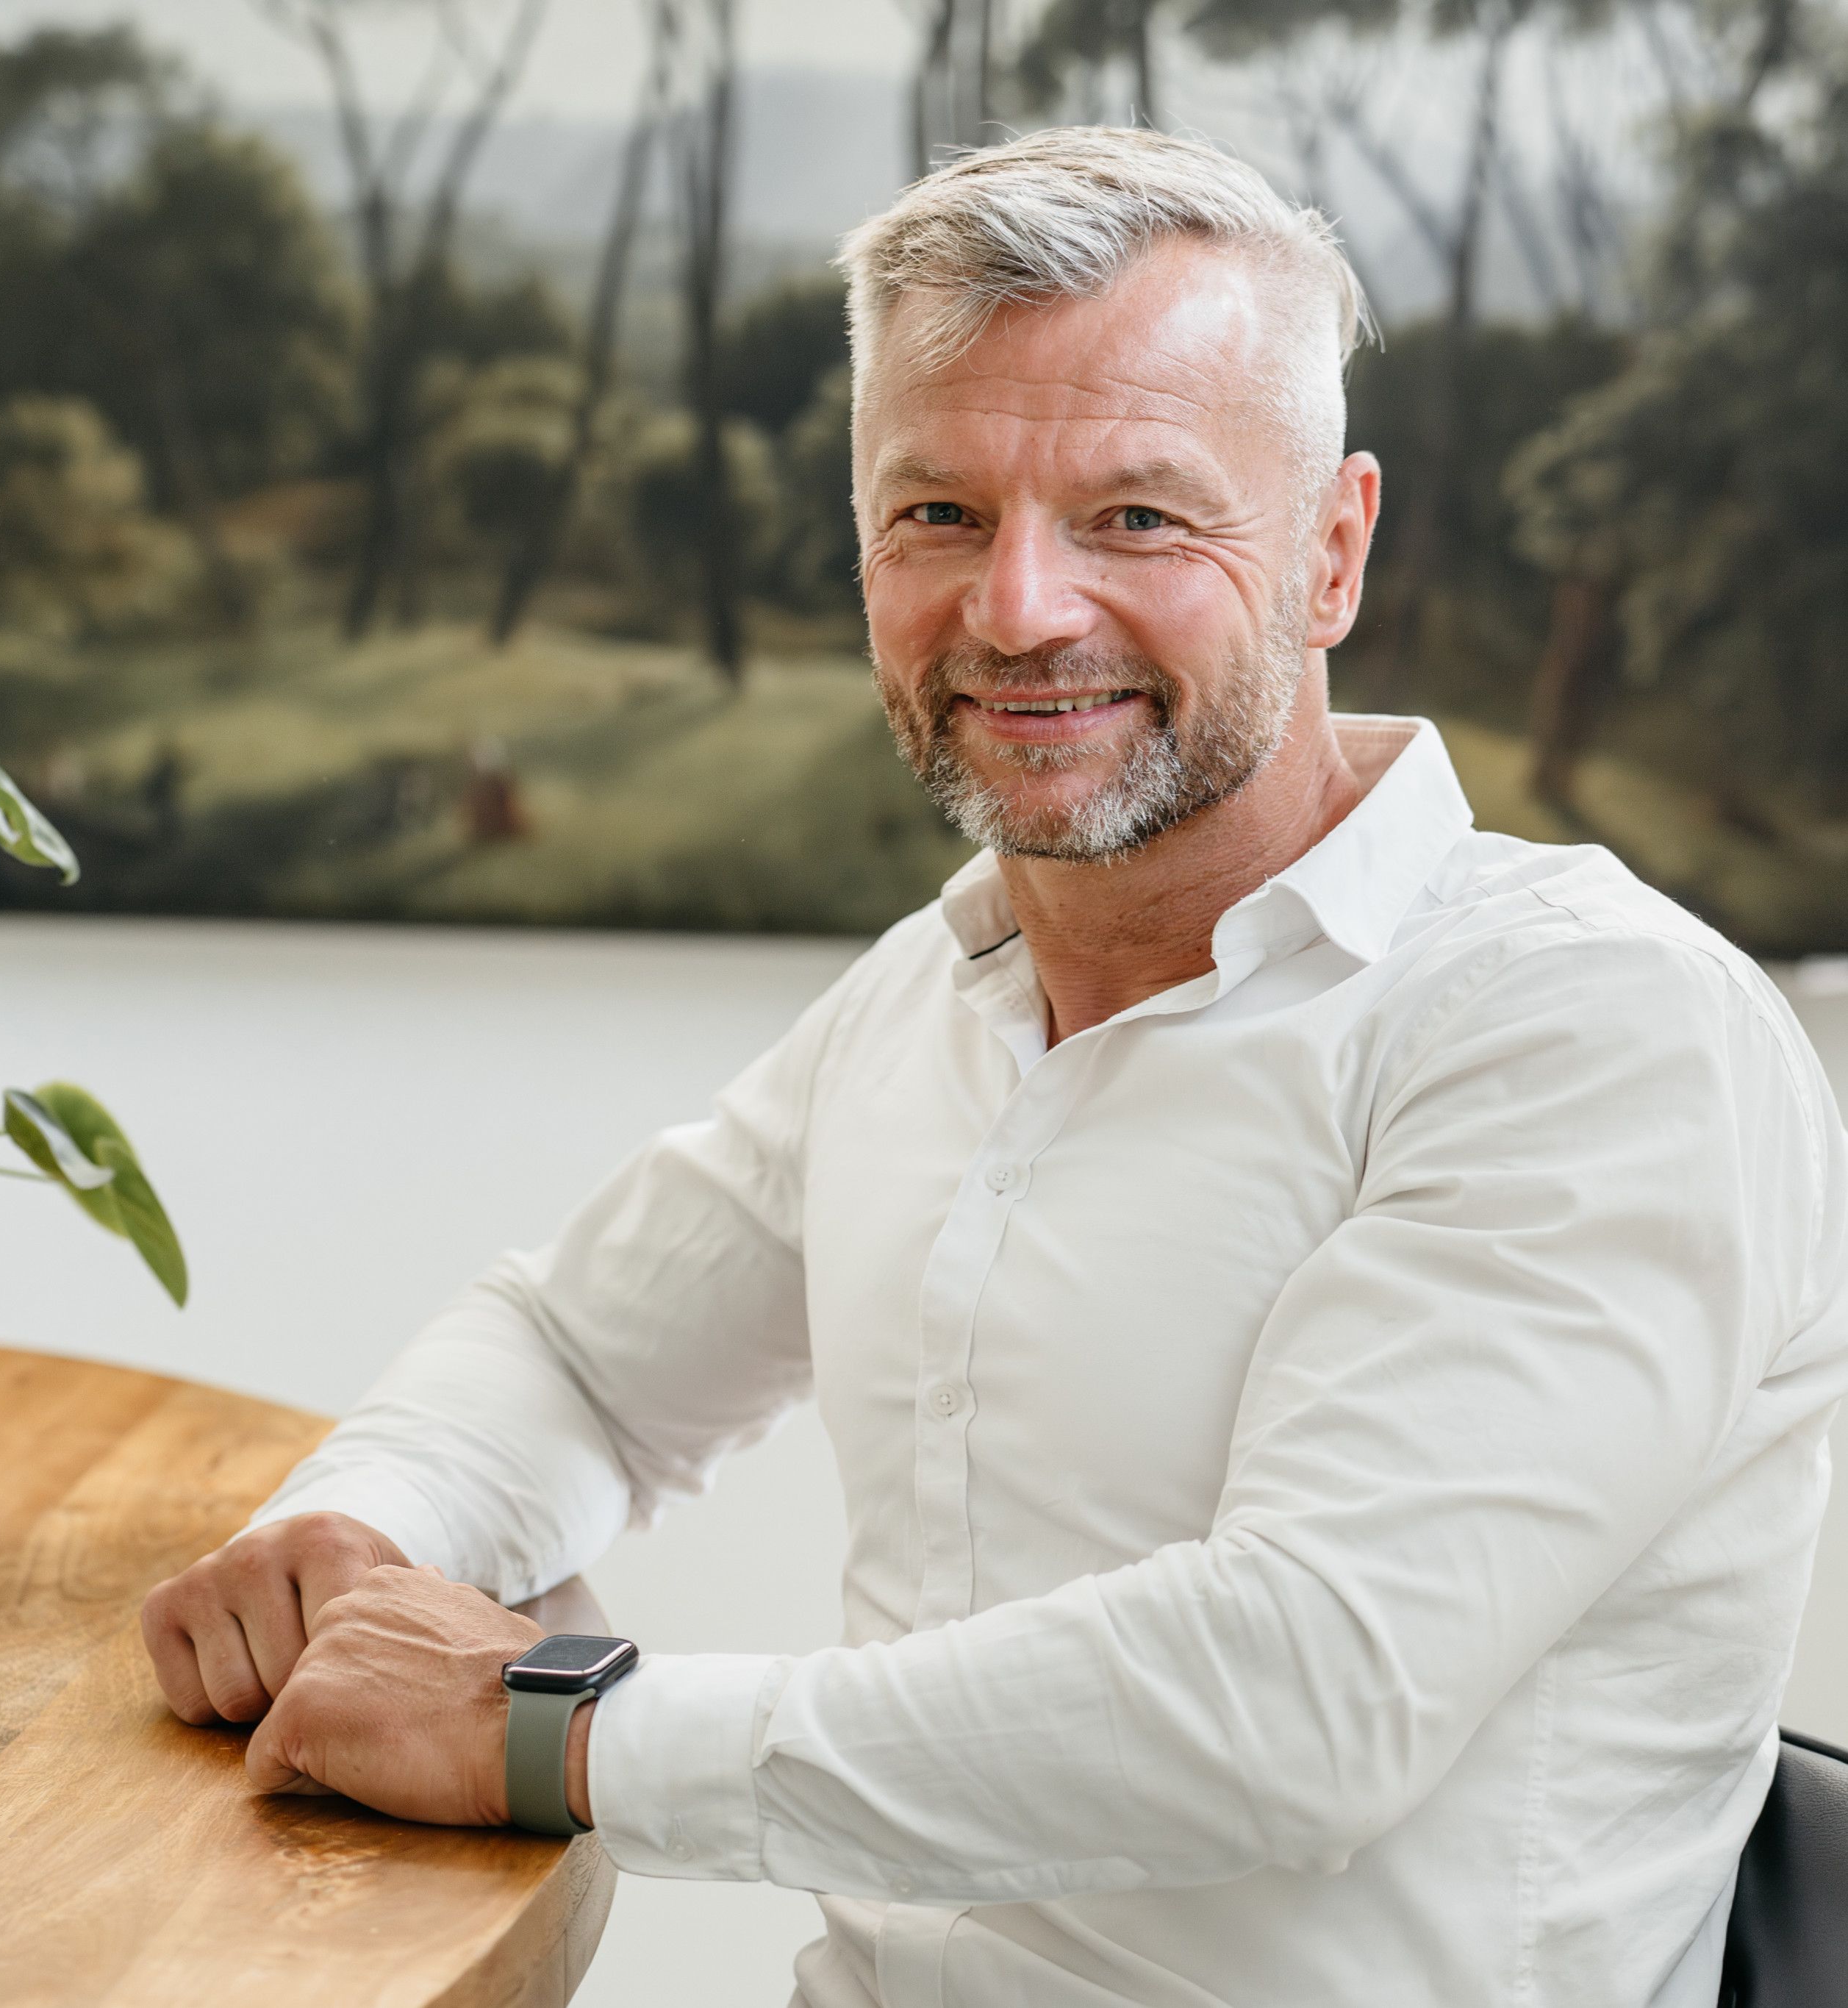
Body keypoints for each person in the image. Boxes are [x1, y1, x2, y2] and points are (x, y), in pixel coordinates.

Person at [141, 128, 1848, 2007]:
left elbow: (1297, 1697)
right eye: (936, 514)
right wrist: (365, 1526)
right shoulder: (942, 986)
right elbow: (575, 1354)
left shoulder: (1591, 1029)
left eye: (1135, 516)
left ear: (1332, 550)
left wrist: (544, 1728)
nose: (1019, 609)